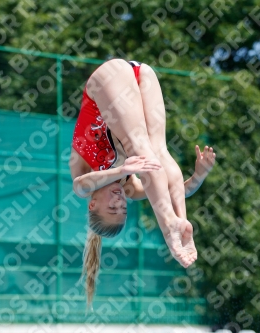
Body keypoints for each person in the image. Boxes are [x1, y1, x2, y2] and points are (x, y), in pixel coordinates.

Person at [69, 59, 216, 309]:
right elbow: (173, 190)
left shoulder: (85, 185)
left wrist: (123, 169)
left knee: (141, 148)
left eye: (112, 208)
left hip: (107, 81)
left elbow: (82, 183)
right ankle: (181, 222)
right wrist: (199, 176)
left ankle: (169, 227)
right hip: (140, 73)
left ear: (93, 205)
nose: (119, 201)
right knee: (158, 151)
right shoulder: (129, 187)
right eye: (123, 209)